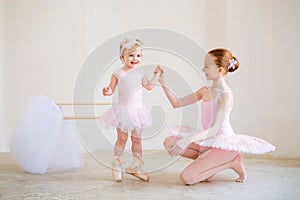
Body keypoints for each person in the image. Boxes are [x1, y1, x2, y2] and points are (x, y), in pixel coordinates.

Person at [158, 48, 275, 185]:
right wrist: (162, 82)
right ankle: (208, 163)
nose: (203, 69)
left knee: (187, 178)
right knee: (170, 142)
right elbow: (176, 103)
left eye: (207, 66)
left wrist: (189, 139)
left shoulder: (225, 95)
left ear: (219, 70)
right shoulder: (204, 91)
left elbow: (214, 129)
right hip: (209, 141)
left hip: (224, 145)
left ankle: (231, 161)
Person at [100, 38, 161, 182]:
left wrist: (157, 75)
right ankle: (116, 165)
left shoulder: (140, 73)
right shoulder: (118, 73)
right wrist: (107, 91)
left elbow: (149, 86)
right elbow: (111, 89)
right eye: (131, 55)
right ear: (123, 57)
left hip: (137, 111)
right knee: (122, 138)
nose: (135, 59)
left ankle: (136, 166)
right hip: (123, 111)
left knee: (137, 139)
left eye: (138, 56)